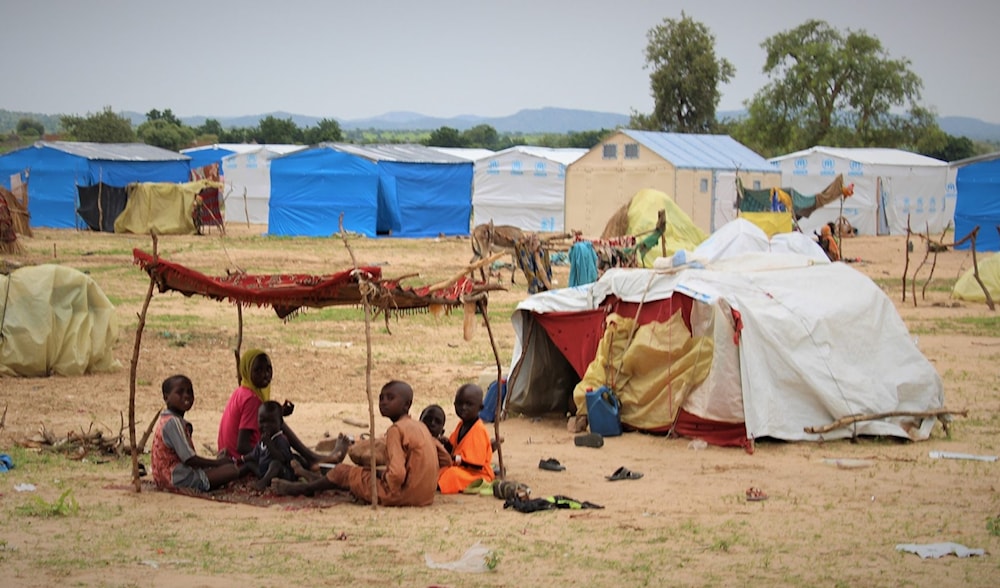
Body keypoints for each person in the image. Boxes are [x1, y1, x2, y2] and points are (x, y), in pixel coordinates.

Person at [272, 380, 439, 507]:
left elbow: (397, 475)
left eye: (390, 398)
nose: (383, 402)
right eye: (381, 398)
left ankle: (301, 488)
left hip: (403, 496)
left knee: (342, 471)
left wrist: (386, 480)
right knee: (365, 473)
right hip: (425, 496)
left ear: (406, 405)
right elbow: (443, 457)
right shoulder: (419, 426)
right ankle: (314, 479)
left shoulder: (396, 430)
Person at [217, 349, 336, 467]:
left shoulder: (242, 391)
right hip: (239, 461)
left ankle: (310, 457)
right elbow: (242, 446)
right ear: (247, 371)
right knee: (292, 458)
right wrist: (268, 452)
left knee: (277, 423)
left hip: (231, 456)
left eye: (268, 369)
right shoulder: (251, 399)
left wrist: (279, 412)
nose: (265, 374)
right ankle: (311, 457)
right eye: (258, 370)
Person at [151, 374, 242, 492]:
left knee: (223, 467)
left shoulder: (168, 420)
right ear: (166, 397)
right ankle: (201, 484)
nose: (186, 396)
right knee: (232, 470)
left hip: (167, 476)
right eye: (180, 392)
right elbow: (190, 459)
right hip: (176, 478)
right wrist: (217, 463)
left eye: (190, 392)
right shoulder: (173, 422)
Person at [438, 383, 495, 494]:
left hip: (477, 474)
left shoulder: (478, 430)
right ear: (454, 405)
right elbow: (453, 446)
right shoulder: (461, 425)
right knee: (440, 469)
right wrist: (444, 442)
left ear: (480, 407)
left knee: (452, 474)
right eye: (460, 404)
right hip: (462, 469)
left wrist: (455, 458)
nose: (463, 408)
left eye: (469, 404)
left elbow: (477, 464)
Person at [239, 401, 296, 491]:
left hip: (281, 474)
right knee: (249, 464)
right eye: (262, 422)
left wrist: (269, 444)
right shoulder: (263, 440)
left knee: (275, 464)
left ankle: (262, 483)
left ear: (280, 423)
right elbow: (254, 454)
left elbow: (282, 459)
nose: (266, 426)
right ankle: (235, 474)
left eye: (271, 422)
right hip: (263, 471)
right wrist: (242, 459)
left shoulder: (281, 440)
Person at [420, 404, 453, 470]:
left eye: (437, 422)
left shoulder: (440, 452)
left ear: (442, 432)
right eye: (428, 419)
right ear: (419, 422)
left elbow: (448, 463)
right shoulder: (410, 440)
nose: (432, 423)